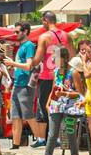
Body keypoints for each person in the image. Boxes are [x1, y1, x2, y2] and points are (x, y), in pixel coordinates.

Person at [40, 46, 85, 155]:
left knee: (71, 135)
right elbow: (54, 89)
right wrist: (48, 103)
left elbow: (80, 94)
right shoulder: (56, 72)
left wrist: (65, 93)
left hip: (70, 108)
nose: (53, 59)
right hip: (56, 107)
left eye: (56, 56)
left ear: (64, 58)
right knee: (52, 135)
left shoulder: (74, 73)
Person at [29, 12, 70, 141]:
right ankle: (59, 136)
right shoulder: (66, 36)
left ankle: (53, 136)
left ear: (45, 20)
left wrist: (28, 61)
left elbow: (37, 59)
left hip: (47, 77)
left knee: (47, 106)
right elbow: (73, 56)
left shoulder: (44, 37)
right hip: (62, 76)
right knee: (61, 104)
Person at [0, 21, 40, 150]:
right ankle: (15, 143)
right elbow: (21, 67)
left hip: (25, 85)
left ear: (25, 32)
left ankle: (40, 139)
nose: (15, 34)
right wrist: (11, 68)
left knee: (28, 114)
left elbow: (29, 66)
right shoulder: (21, 46)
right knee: (15, 116)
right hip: (17, 84)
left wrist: (13, 63)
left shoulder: (29, 45)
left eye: (17, 32)